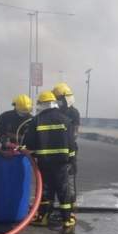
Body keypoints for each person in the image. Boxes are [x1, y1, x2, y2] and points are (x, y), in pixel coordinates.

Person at [24, 90, 75, 228]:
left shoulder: (36, 120)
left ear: (42, 104)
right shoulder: (65, 119)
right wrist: (71, 160)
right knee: (63, 190)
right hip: (61, 162)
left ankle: (43, 217)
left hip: (44, 162)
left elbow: (30, 143)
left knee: (45, 190)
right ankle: (67, 219)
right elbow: (71, 143)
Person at [53, 82, 81, 212]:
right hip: (54, 150)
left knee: (68, 178)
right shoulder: (54, 111)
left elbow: (75, 133)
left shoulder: (74, 112)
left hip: (69, 151)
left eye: (59, 99)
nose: (58, 101)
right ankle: (51, 207)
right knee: (52, 179)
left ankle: (71, 207)